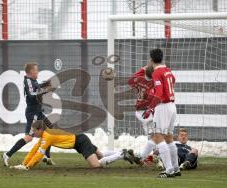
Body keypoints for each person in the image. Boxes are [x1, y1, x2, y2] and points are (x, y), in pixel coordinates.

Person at [129, 49, 180, 178]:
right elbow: (172, 81)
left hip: (162, 107)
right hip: (172, 105)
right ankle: (175, 168)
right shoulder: (167, 70)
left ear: (151, 60)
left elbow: (158, 93)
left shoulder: (157, 72)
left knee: (158, 137)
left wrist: (150, 108)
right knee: (168, 137)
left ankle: (168, 170)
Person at [10, 120, 133, 170]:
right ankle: (121, 152)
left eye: (33, 131)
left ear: (39, 130)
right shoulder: (45, 135)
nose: (32, 133)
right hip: (79, 140)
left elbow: (39, 154)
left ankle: (121, 154)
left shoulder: (47, 136)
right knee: (100, 155)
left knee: (96, 165)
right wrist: (23, 164)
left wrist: (28, 167)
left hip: (80, 141)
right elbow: (35, 150)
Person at [2, 63, 54, 166]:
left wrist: (45, 85)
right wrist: (44, 90)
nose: (38, 72)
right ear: (31, 72)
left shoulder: (33, 81)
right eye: (36, 70)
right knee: (29, 137)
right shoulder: (28, 81)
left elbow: (37, 89)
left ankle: (46, 156)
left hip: (38, 111)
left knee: (49, 130)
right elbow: (31, 95)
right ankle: (7, 155)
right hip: (33, 113)